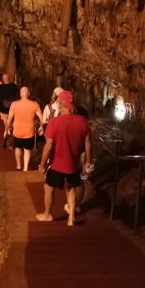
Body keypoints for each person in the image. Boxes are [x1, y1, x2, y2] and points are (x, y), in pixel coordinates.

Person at [36, 90, 91, 226]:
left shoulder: (55, 122)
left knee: (48, 187)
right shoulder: (82, 121)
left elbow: (48, 147)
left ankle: (47, 214)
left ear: (62, 104)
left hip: (57, 163)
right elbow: (88, 144)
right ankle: (71, 218)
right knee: (71, 188)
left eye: (59, 102)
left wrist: (42, 164)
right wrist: (88, 161)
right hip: (73, 163)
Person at [4, 87, 44, 171]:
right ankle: (25, 169)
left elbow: (9, 119)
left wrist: (6, 129)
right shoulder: (34, 104)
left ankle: (18, 166)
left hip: (17, 131)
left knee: (17, 148)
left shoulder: (14, 104)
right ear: (29, 94)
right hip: (29, 132)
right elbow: (41, 118)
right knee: (27, 150)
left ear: (20, 94)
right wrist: (41, 126)